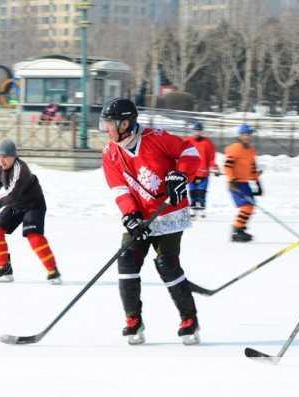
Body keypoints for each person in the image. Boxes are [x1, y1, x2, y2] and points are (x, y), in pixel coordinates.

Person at [101, 97, 201, 345]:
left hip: (168, 212)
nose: (107, 129)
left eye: (111, 124)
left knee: (166, 264)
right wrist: (130, 216)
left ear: (126, 123)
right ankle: (133, 320)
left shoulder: (156, 138)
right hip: (140, 216)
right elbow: (118, 188)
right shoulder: (110, 152)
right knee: (126, 261)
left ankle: (189, 320)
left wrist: (181, 175)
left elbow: (189, 151)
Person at [0, 138, 61, 284]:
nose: (2, 161)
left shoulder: (21, 169)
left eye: (5, 157)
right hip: (16, 204)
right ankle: (5, 268)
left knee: (33, 236)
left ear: (14, 156)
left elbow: (13, 193)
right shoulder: (2, 169)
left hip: (33, 204)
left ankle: (53, 271)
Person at [223, 124, 262, 242]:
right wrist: (231, 179)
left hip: (245, 183)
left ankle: (240, 229)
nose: (247, 137)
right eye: (245, 134)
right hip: (235, 183)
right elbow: (227, 166)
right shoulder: (235, 148)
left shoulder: (251, 150)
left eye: (249, 134)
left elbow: (253, 169)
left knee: (250, 207)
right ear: (240, 135)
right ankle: (236, 230)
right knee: (246, 206)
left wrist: (258, 183)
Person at [184, 121, 220, 218]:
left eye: (199, 131)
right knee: (192, 192)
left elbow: (212, 157)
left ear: (202, 132)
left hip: (203, 173)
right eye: (195, 131)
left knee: (201, 192)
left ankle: (202, 209)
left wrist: (215, 168)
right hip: (191, 173)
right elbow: (182, 156)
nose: (197, 133)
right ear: (192, 131)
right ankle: (193, 209)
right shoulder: (187, 141)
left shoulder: (207, 143)